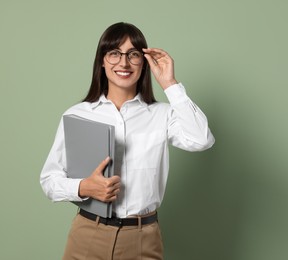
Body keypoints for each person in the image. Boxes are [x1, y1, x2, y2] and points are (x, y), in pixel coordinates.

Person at [40, 22, 215, 260]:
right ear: (102, 61)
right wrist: (83, 187)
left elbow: (201, 139)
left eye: (133, 55)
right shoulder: (77, 114)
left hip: (143, 238)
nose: (123, 63)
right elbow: (49, 180)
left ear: (144, 62)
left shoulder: (162, 114)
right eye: (114, 53)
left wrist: (170, 84)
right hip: (87, 234)